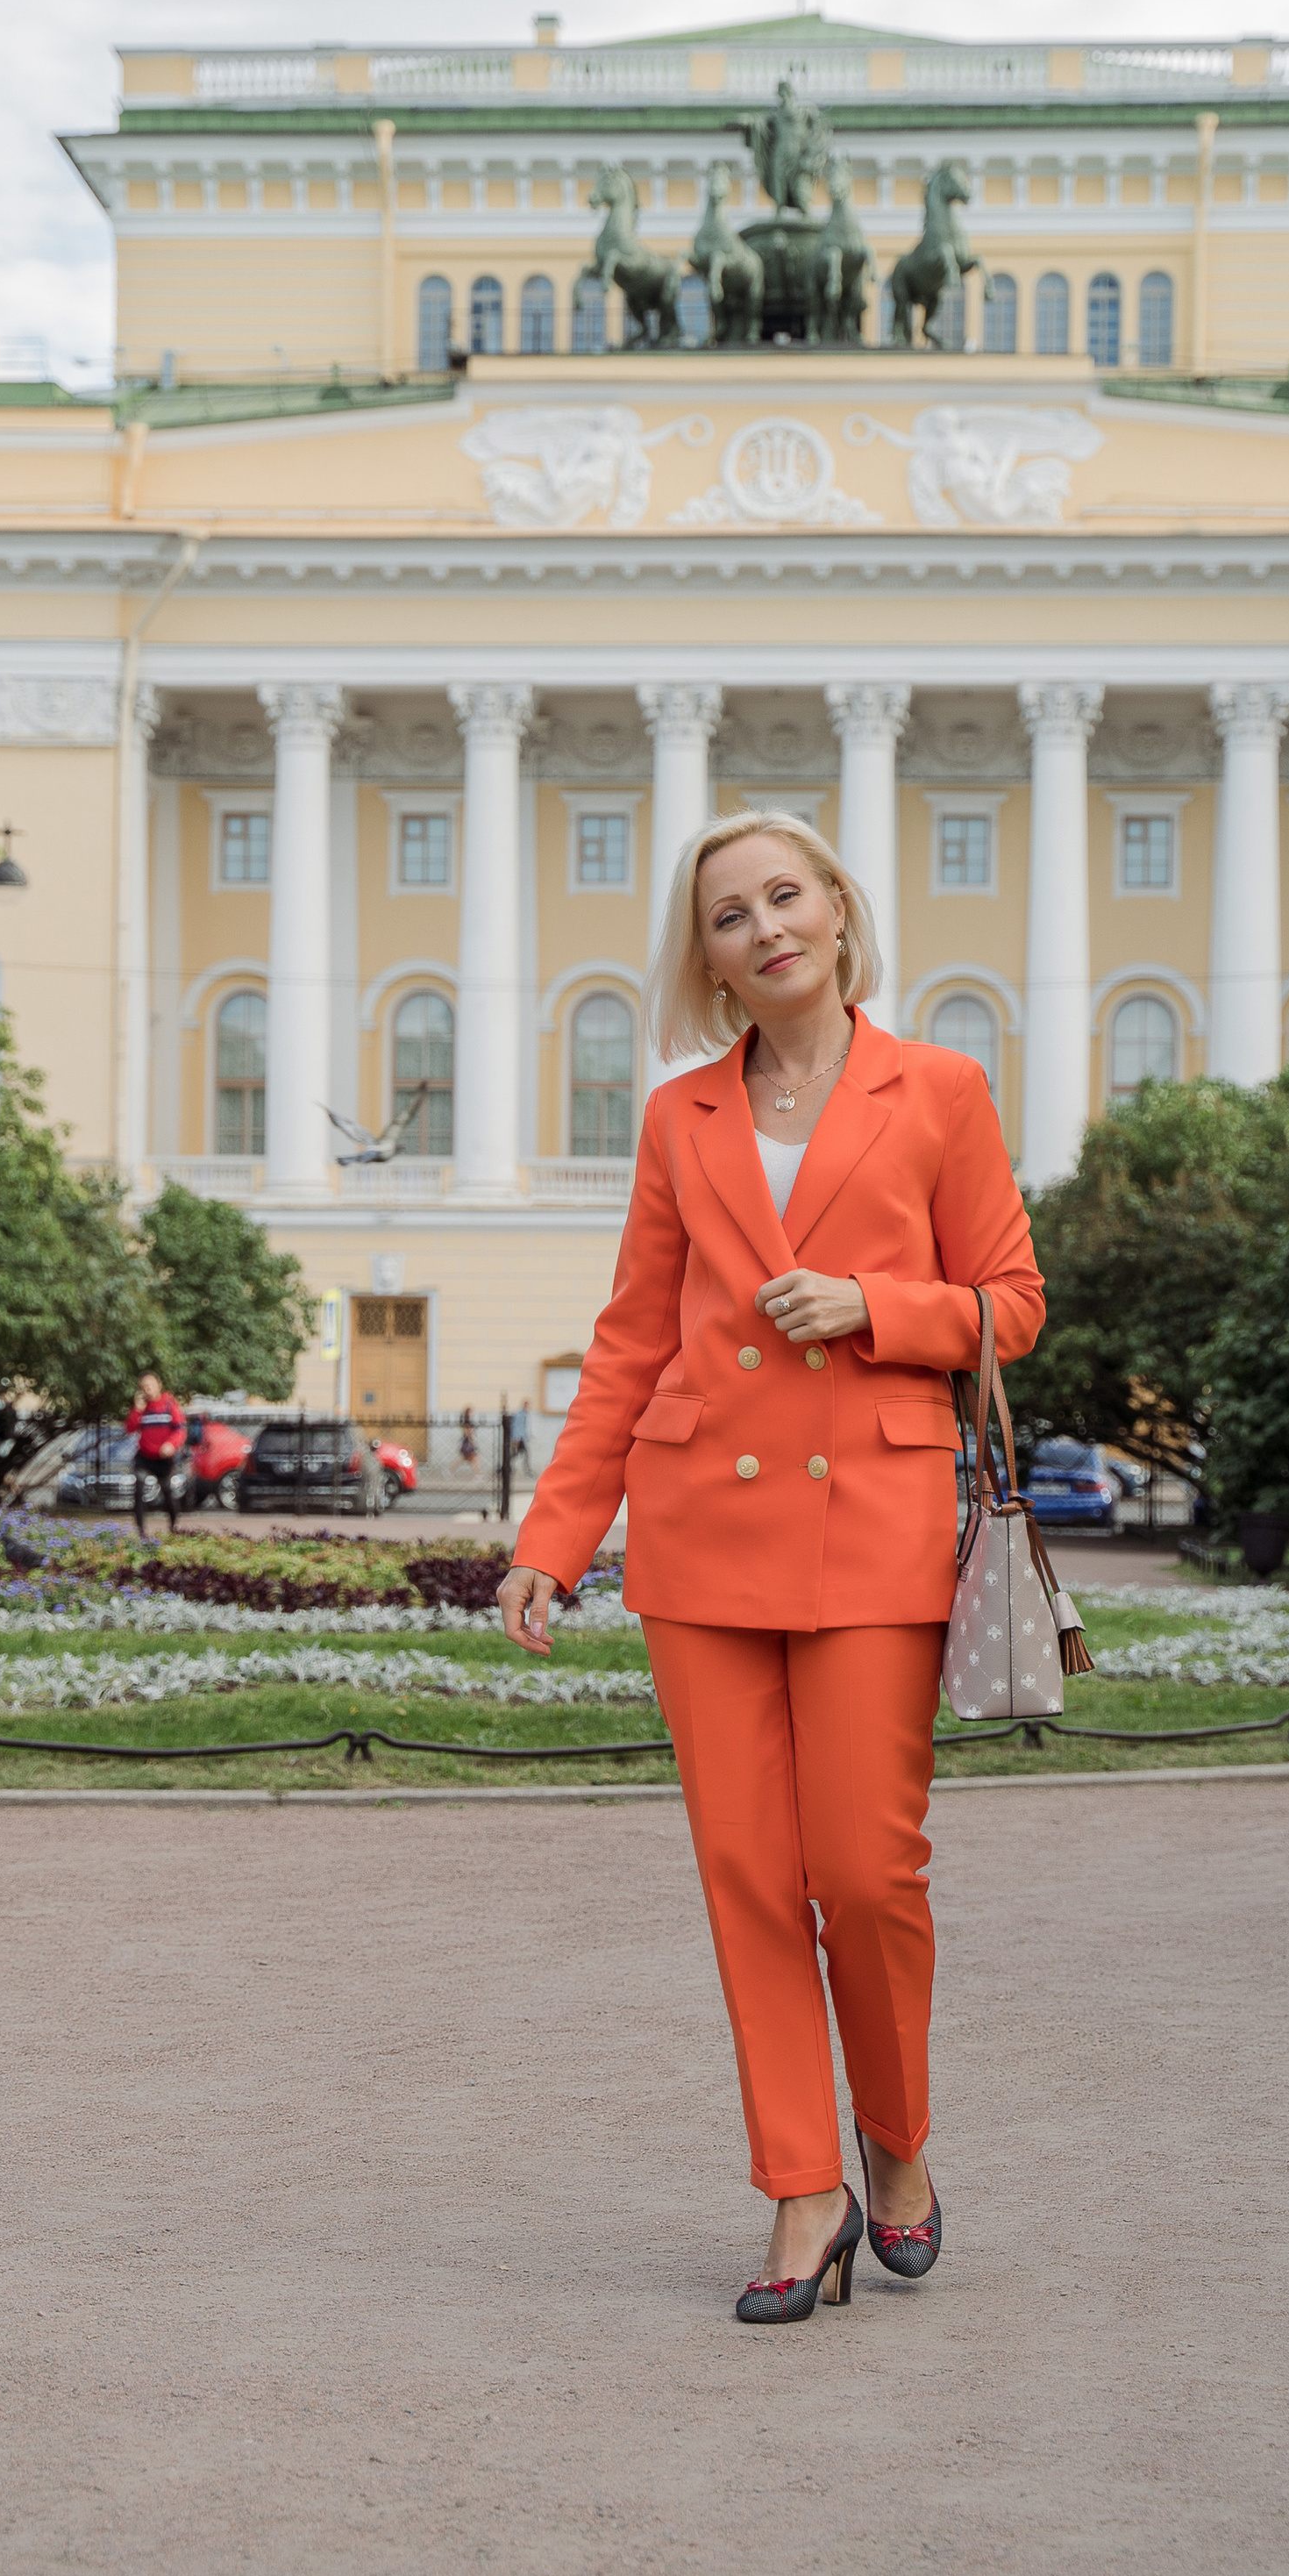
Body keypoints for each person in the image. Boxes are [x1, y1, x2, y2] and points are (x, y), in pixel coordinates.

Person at [498, 810, 1043, 2325]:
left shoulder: (937, 1087)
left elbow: (1012, 1301)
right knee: (747, 1876)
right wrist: (557, 1536)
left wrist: (873, 1304)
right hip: (701, 1529)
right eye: (729, 915)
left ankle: (896, 2144)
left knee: (864, 1873)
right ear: (712, 961)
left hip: (872, 1518)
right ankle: (802, 2190)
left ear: (839, 910)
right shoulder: (680, 1119)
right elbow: (629, 1340)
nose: (763, 927)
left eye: (783, 895)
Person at [125, 1372, 188, 1534]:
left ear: (158, 1384)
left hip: (163, 1458)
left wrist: (171, 1445)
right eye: (144, 1387)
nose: (148, 1389)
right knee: (139, 1488)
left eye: (150, 1385)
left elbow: (180, 1430)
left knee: (167, 1493)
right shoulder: (142, 1409)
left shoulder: (169, 1405)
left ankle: (174, 1527)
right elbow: (130, 1428)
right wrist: (137, 1410)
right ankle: (140, 1532)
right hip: (144, 1456)